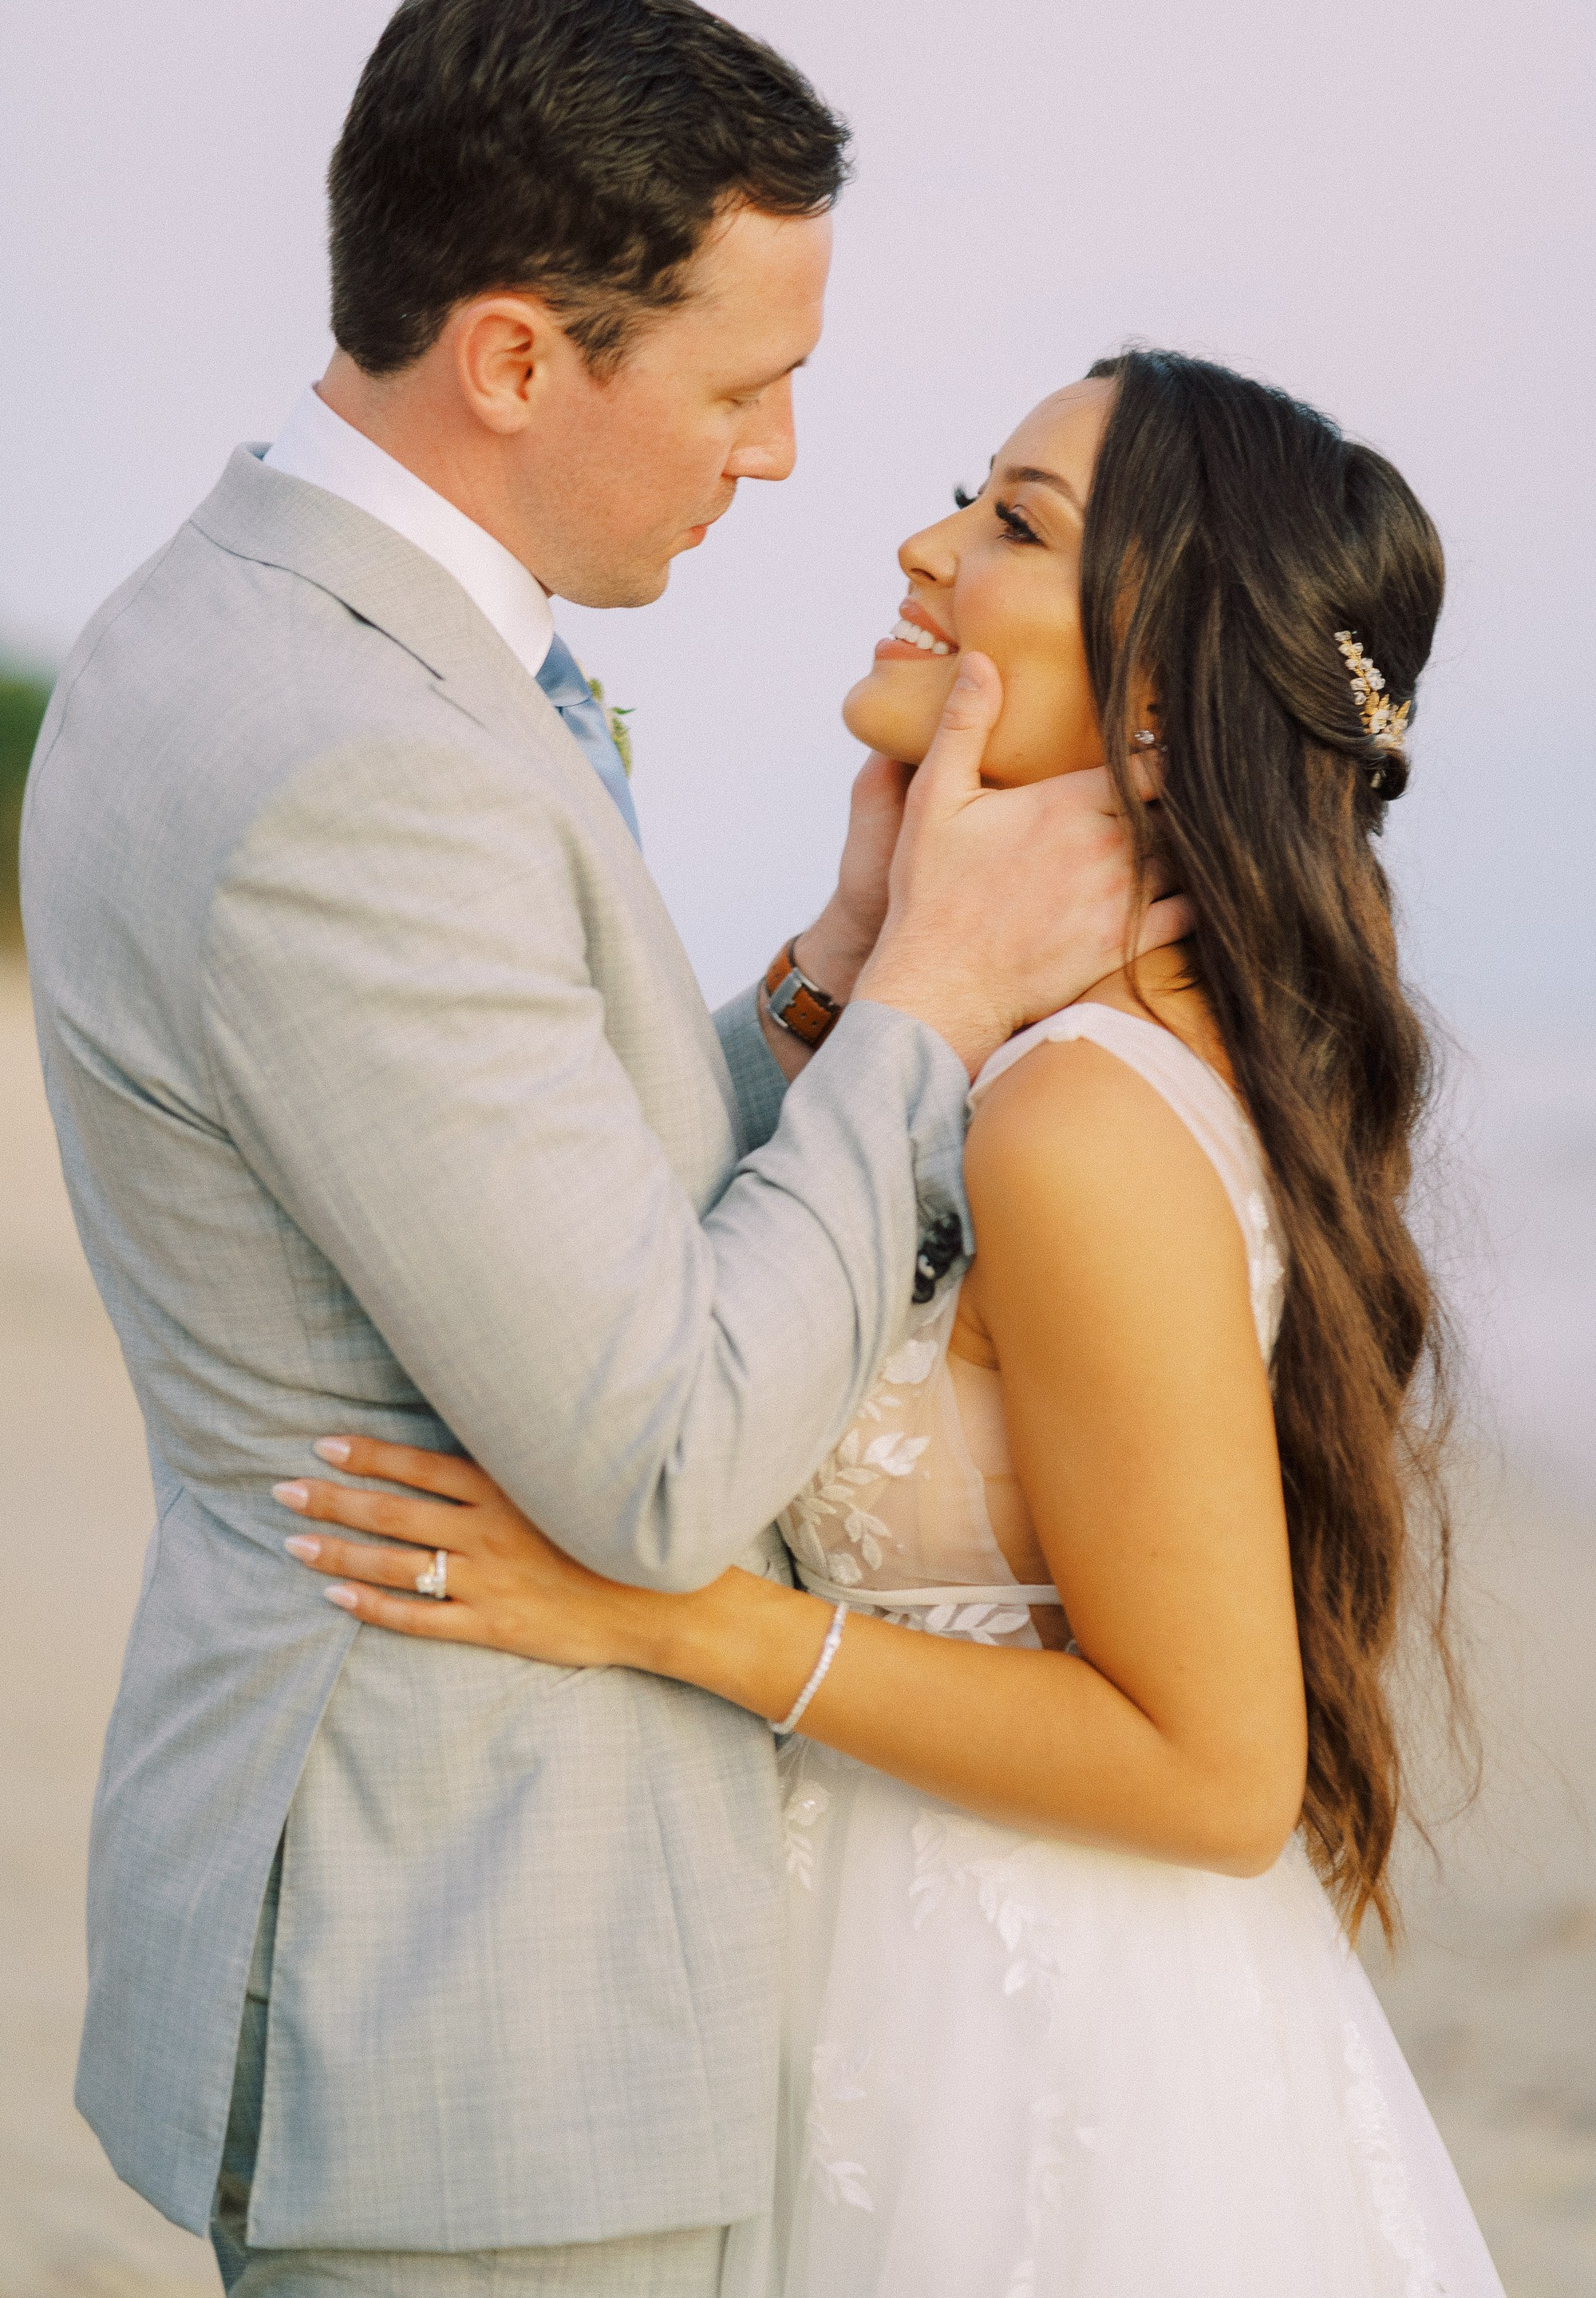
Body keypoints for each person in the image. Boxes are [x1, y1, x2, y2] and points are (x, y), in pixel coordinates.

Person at [21, 0, 1183, 2298]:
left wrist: (824, 985)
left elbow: (531, 1180)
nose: (784, 458)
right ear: (519, 357)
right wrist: (938, 1012)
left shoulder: (248, 617)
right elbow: (658, 1453)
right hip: (470, 1985)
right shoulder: (353, 762)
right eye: (748, 388)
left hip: (415, 1928)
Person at [283, 351, 1507, 2296]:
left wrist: (661, 1615)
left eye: (1014, 525)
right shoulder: (1022, 1060)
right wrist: (856, 964)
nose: (922, 545)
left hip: (1022, 2062)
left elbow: (1211, 1769)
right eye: (970, 494)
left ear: (1170, 701)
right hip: (900, 1978)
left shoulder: (1077, 1114)